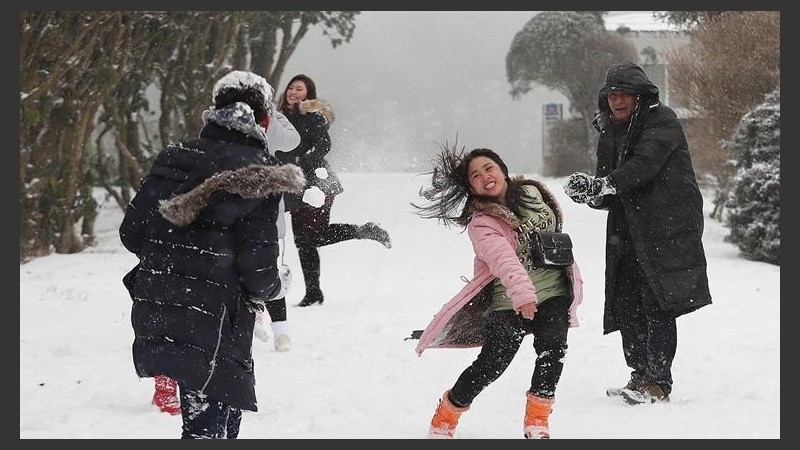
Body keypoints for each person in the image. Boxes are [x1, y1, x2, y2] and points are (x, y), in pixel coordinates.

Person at [119, 70, 304, 438]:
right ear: (264, 119)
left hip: (163, 305)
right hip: (218, 317)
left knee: (203, 423)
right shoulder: (262, 171)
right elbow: (258, 270)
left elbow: (132, 233)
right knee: (211, 428)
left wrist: (180, 255)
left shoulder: (175, 155)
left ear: (214, 110)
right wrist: (275, 286)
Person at [563, 61, 712, 405]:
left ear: (640, 96)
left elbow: (643, 167)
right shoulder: (609, 129)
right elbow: (609, 188)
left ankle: (658, 383)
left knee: (656, 300)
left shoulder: (663, 121)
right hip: (627, 229)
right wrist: (590, 192)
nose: (617, 100)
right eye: (612, 94)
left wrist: (604, 185)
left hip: (666, 226)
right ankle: (640, 375)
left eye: (625, 93)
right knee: (626, 302)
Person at [412, 145, 585, 439]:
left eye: (489, 168)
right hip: (509, 302)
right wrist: (523, 295)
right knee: (492, 364)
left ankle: (537, 421)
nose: (485, 176)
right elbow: (504, 261)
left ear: (502, 170)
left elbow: (554, 228)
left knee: (552, 352)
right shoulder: (481, 223)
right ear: (471, 187)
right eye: (476, 175)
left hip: (554, 290)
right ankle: (447, 413)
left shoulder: (534, 193)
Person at [275, 73, 392, 307]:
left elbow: (323, 145)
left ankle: (363, 231)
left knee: (312, 236)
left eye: (299, 89)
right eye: (291, 87)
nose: (293, 92)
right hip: (294, 185)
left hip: (318, 182)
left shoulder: (313, 116)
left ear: (308, 94)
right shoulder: (279, 118)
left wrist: (303, 160)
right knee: (304, 240)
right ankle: (314, 292)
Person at [253, 108, 302, 352]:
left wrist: (273, 114)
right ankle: (273, 327)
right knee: (268, 270)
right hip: (257, 212)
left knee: (267, 271)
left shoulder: (266, 120)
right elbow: (292, 139)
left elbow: (293, 140)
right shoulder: (266, 120)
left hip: (257, 211)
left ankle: (276, 328)